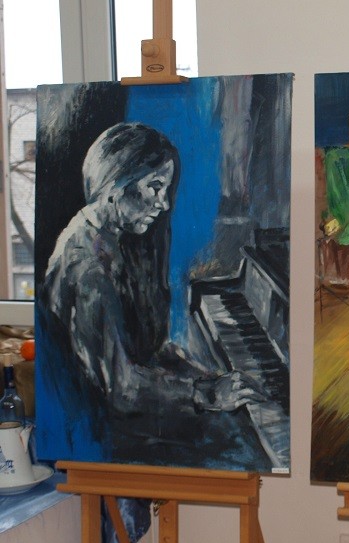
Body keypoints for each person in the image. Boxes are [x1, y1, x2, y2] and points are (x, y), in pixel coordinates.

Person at [41, 123, 262, 438]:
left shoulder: (112, 239)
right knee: (234, 437)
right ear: (115, 183)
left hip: (117, 411)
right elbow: (122, 389)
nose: (164, 203)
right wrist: (205, 393)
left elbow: (150, 351)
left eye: (166, 189)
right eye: (155, 187)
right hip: (98, 430)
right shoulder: (86, 268)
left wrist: (208, 378)